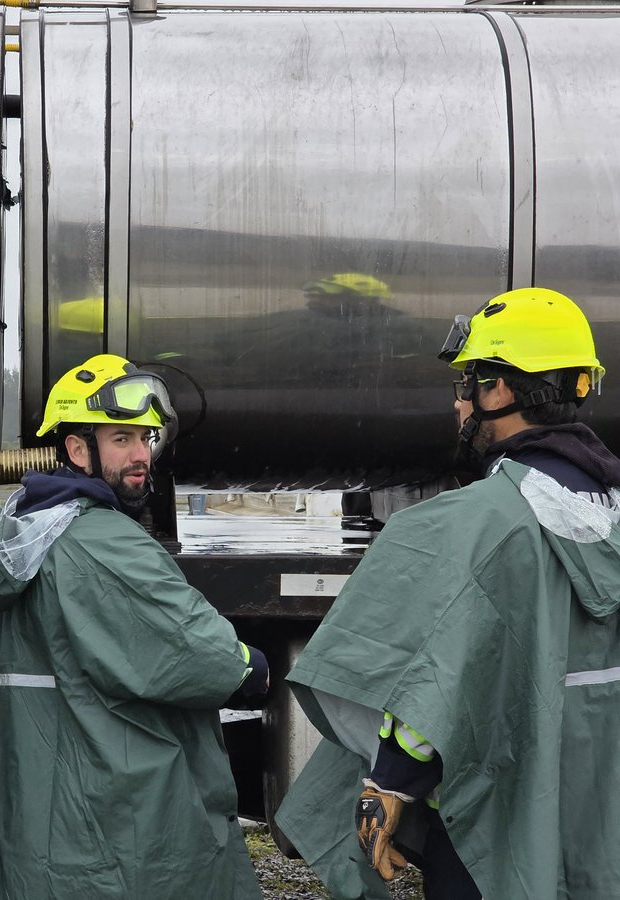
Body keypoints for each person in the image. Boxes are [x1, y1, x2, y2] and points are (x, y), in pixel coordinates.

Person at [275, 287, 620, 899]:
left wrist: (390, 784)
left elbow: (433, 689)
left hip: (495, 818)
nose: (459, 404)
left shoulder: (469, 522)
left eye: (468, 385)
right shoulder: (612, 513)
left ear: (501, 391)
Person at [0, 353, 270, 899]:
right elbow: (206, 658)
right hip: (111, 820)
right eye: (122, 439)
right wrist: (252, 668)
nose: (143, 455)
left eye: (147, 438)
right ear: (76, 449)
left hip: (42, 812)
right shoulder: (107, 543)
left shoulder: (23, 526)